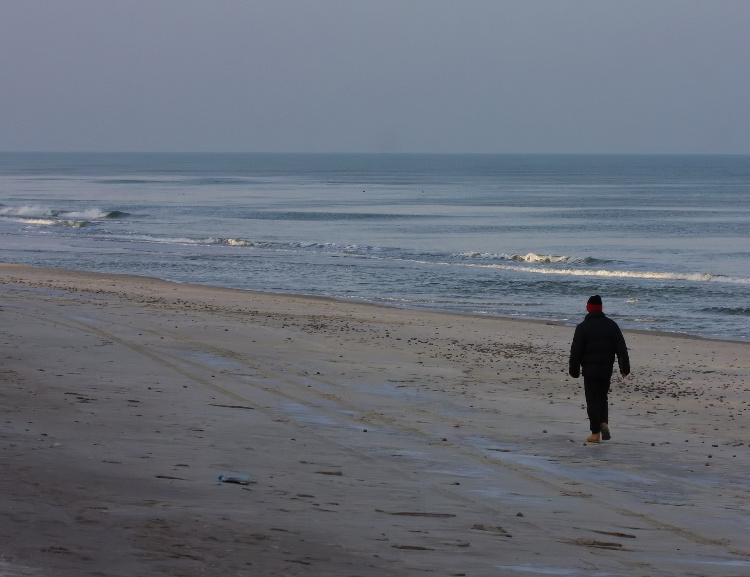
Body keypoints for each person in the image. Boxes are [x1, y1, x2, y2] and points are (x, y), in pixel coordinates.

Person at [569, 295, 630, 443]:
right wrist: (624, 368)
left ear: (588, 308)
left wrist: (574, 369)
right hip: (606, 369)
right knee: (602, 397)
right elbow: (621, 348)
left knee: (592, 400)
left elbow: (576, 351)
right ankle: (603, 422)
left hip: (589, 370)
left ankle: (595, 433)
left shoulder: (582, 327)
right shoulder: (611, 325)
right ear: (601, 308)